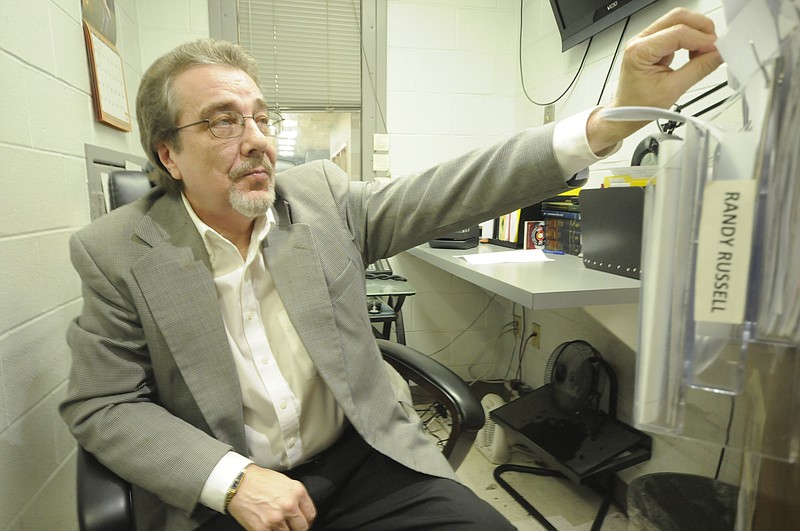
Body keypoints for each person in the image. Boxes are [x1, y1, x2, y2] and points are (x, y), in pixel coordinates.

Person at [60, 7, 722, 531]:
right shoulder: (117, 249)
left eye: (261, 117)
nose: (258, 137)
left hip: (365, 464)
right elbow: (104, 402)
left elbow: (456, 186)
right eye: (223, 122)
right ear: (168, 154)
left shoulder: (319, 198)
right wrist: (228, 477)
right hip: (229, 493)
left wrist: (614, 119)